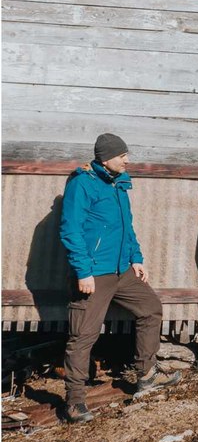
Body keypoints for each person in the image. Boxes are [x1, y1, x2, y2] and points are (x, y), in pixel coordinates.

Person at [59, 133, 181, 423]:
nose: (128, 159)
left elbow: (127, 228)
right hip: (94, 274)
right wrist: (83, 271)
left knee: (150, 308)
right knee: (83, 336)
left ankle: (147, 376)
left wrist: (135, 258)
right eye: (122, 155)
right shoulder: (82, 185)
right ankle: (75, 402)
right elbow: (71, 231)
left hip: (122, 271)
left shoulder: (119, 185)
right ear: (105, 158)